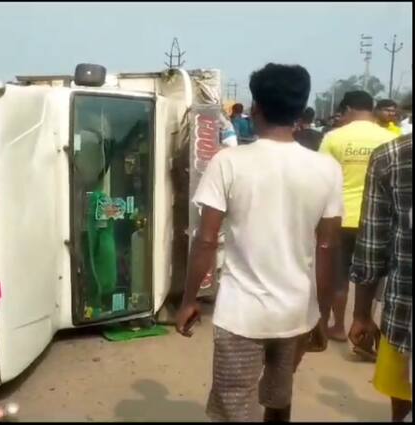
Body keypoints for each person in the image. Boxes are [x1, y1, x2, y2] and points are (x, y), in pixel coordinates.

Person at [175, 63, 343, 422]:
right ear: (300, 112)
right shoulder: (326, 169)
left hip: (242, 313)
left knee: (234, 406)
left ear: (256, 108)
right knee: (279, 399)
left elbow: (206, 241)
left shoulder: (229, 162)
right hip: (296, 310)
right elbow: (327, 248)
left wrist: (189, 299)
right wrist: (322, 312)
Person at [318, 91, 397, 344]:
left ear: (348, 109)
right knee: (372, 278)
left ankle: (338, 326)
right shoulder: (391, 139)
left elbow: (321, 180)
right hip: (379, 220)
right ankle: (362, 325)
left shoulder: (334, 137)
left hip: (339, 216)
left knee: (338, 277)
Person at [348, 133, 412, 422]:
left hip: (406, 315)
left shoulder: (393, 156)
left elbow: (373, 247)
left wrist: (361, 314)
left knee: (403, 398)